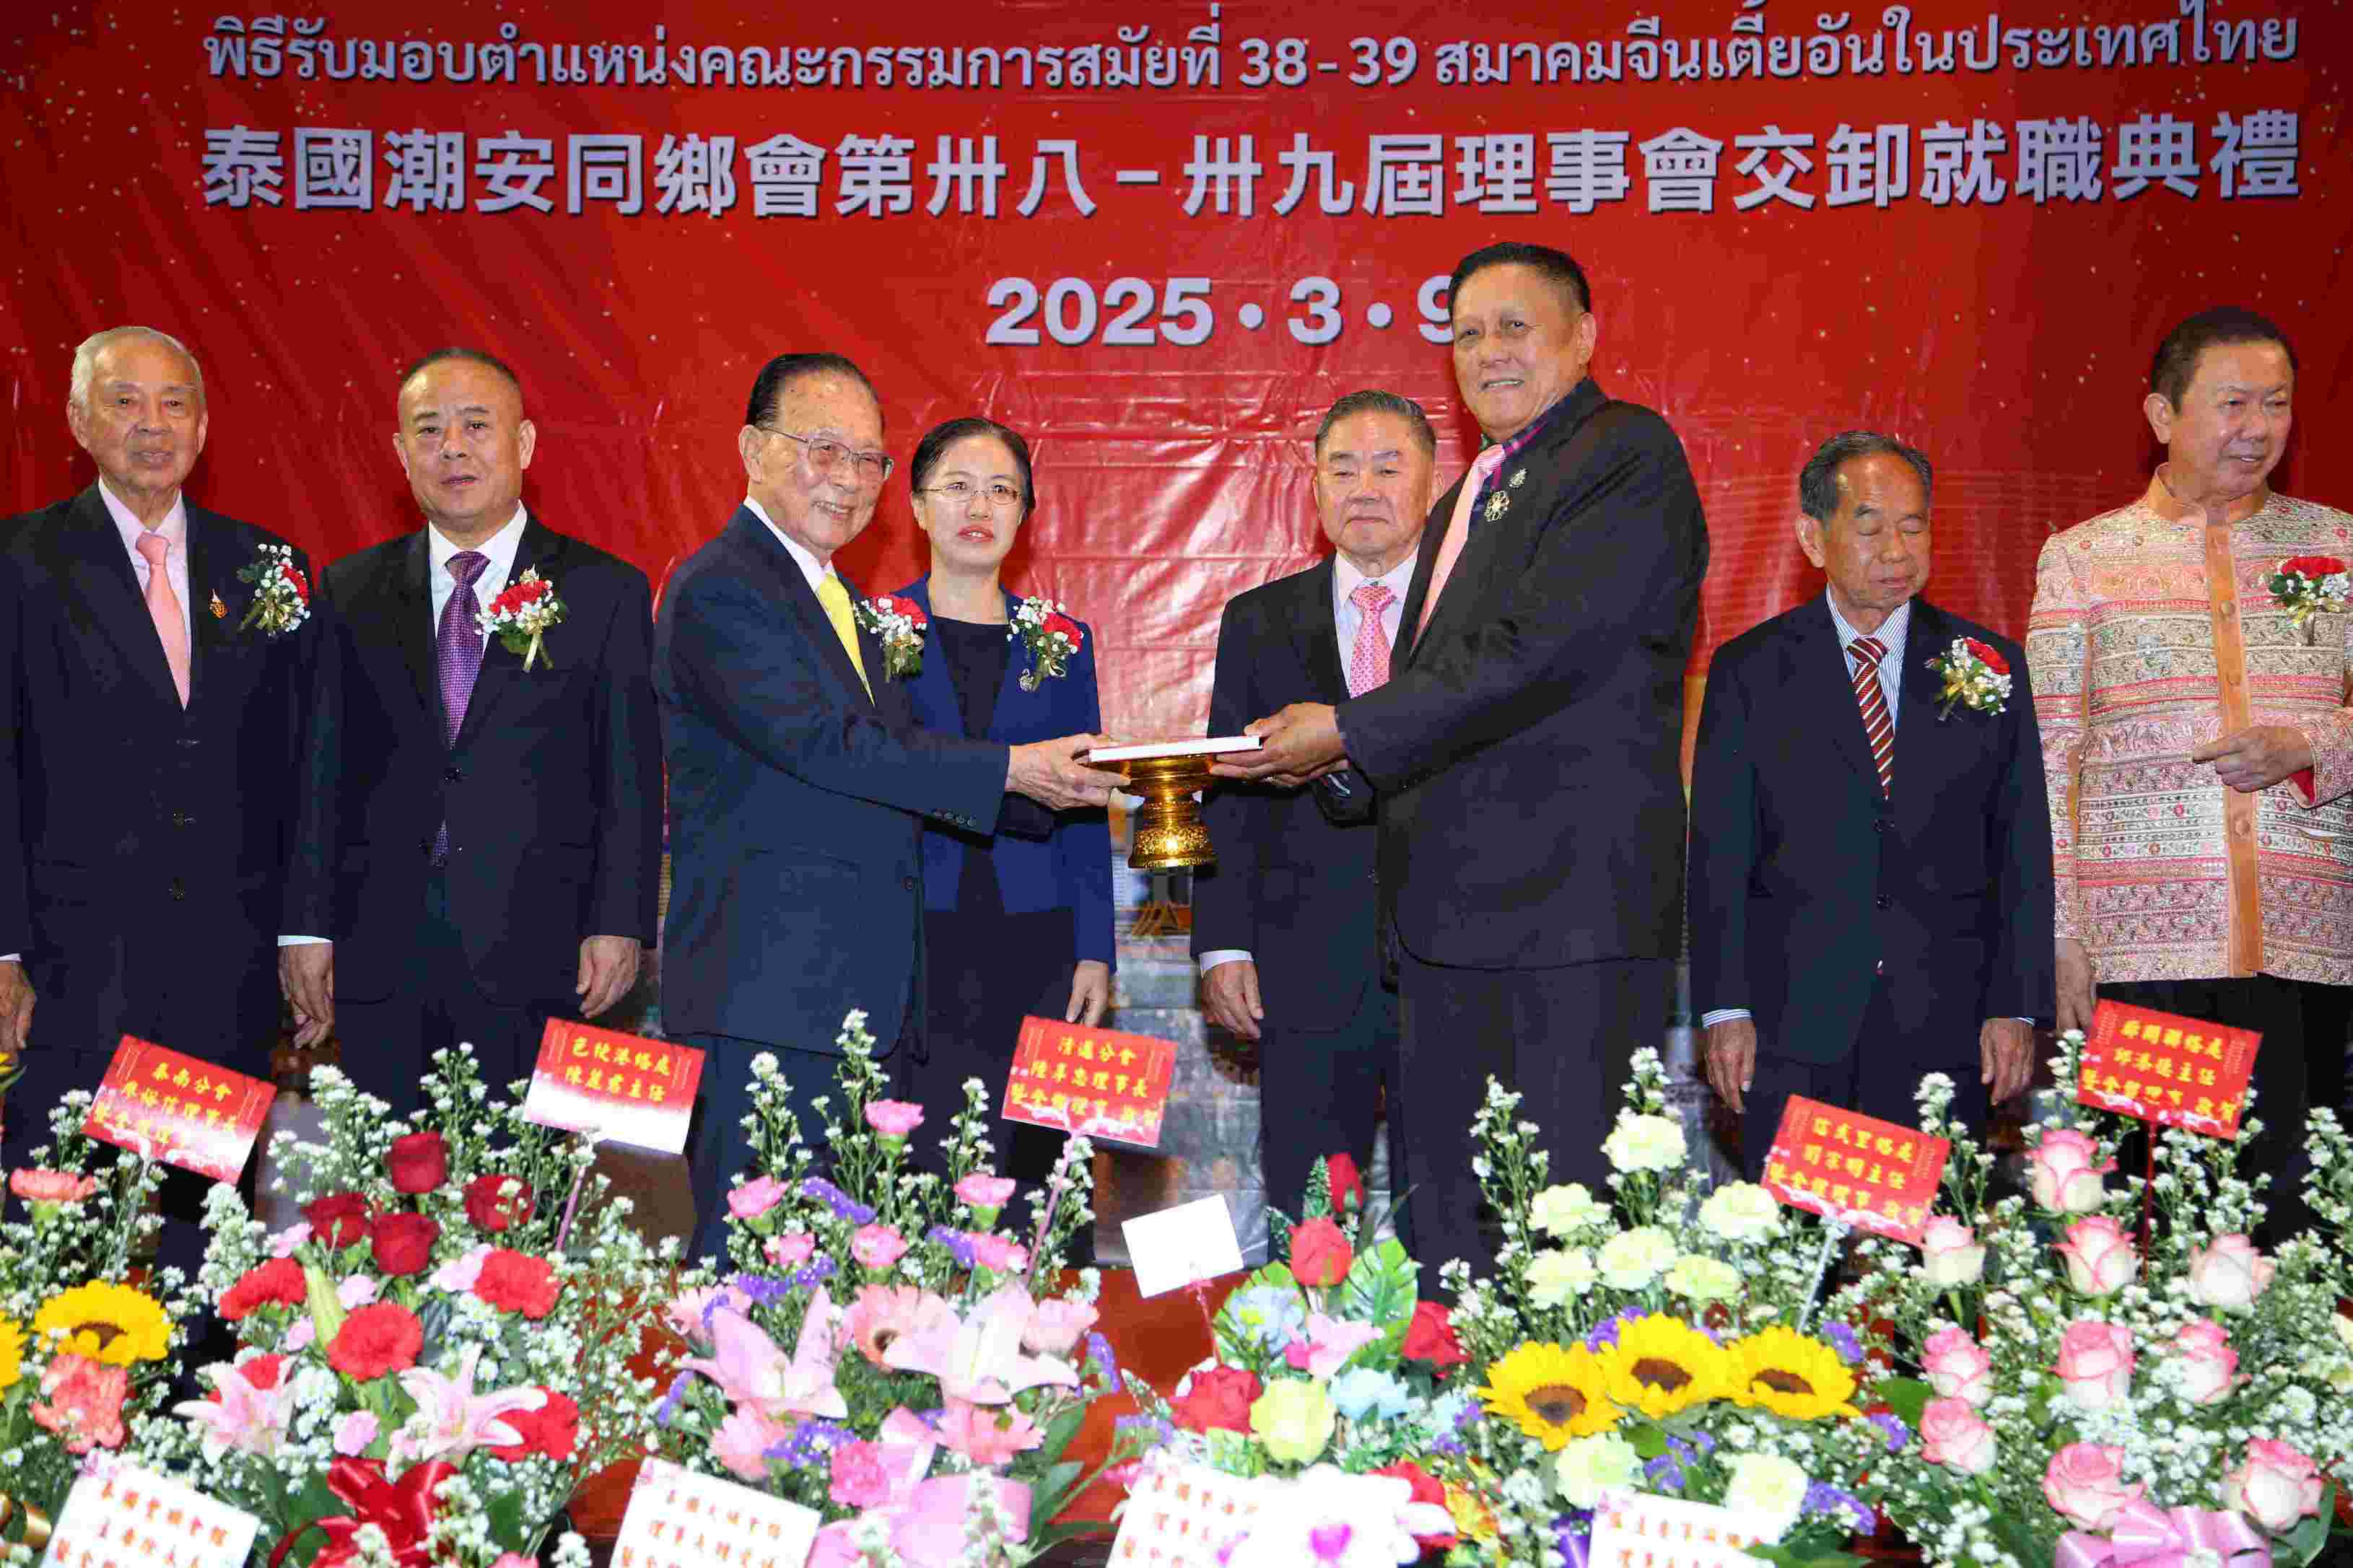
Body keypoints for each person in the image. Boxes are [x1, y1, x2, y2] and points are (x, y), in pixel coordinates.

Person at [1216, 242, 1708, 1287]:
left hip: (1563, 921)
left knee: (1560, 1234)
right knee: (1453, 1238)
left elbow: (1534, 655)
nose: (1489, 352)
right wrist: (1329, 767)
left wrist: (1344, 732)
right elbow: (1438, 692)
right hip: (1449, 934)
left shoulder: (1623, 456)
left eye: (1514, 327)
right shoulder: (1473, 495)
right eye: (1468, 334)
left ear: (1583, 336)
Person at [655, 354, 1123, 1258]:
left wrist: (1064, 786)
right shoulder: (726, 585)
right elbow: (833, 746)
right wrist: (1012, 770)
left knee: (841, 1280)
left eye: (866, 458)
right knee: (755, 1272)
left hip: (849, 995)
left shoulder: (827, 595)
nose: (846, 477)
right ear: (752, 449)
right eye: (822, 449)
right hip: (770, 992)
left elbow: (892, 768)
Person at [2027, 306, 2349, 1238]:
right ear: (2161, 414)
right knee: (2154, 1227)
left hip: (2306, 947)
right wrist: (2061, 934)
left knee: (2293, 1229)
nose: (2257, 427)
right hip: (2142, 953)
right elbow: (2048, 757)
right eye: (2232, 403)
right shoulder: (2084, 559)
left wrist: (2313, 746)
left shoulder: (2338, 549)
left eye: (2276, 404)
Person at [0, 326, 310, 1274]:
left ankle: (204, 1373)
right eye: (125, 402)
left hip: (221, 968)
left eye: (175, 404)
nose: (153, 424)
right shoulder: (20, 562)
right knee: (55, 1234)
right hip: (70, 969)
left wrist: (301, 930)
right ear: (78, 420)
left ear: (204, 427)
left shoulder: (264, 566)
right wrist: (3, 949)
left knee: (202, 1244)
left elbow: (305, 764)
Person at [281, 348, 662, 1115]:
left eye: (476, 426)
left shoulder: (604, 590)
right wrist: (304, 929)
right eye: (429, 430)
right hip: (381, 950)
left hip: (544, 950)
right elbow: (319, 771)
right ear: (401, 453)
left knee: (524, 1175)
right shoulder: (351, 589)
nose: (452, 447)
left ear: (523, 443)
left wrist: (620, 922)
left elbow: (629, 771)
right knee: (388, 1176)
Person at [1688, 432, 2053, 1175]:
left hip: (1944, 1020)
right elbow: (1718, 856)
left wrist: (2015, 1005)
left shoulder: (1987, 665)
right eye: (1870, 526)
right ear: (1811, 538)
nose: (1896, 549)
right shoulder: (1749, 671)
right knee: (1799, 1238)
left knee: (1932, 1236)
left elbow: (2021, 847)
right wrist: (1725, 1009)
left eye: (1913, 525)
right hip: (1793, 1022)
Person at [1195, 390, 1431, 1233]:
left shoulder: (1476, 624)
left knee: (1447, 1214)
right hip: (1303, 964)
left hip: (1453, 961)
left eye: (1386, 467)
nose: (1363, 488)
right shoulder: (1259, 620)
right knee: (1308, 1220)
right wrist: (1223, 941)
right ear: (1315, 487)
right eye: (1342, 469)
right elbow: (1226, 789)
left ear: (1431, 483)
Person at [887, 416, 1114, 1190]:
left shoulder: (1062, 640)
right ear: (918, 506)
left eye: (1001, 490)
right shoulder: (873, 630)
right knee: (917, 1154)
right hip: (911, 931)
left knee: (1034, 1162)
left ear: (1024, 515)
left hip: (1038, 936)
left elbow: (1086, 803)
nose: (978, 505)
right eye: (957, 486)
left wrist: (1095, 948)